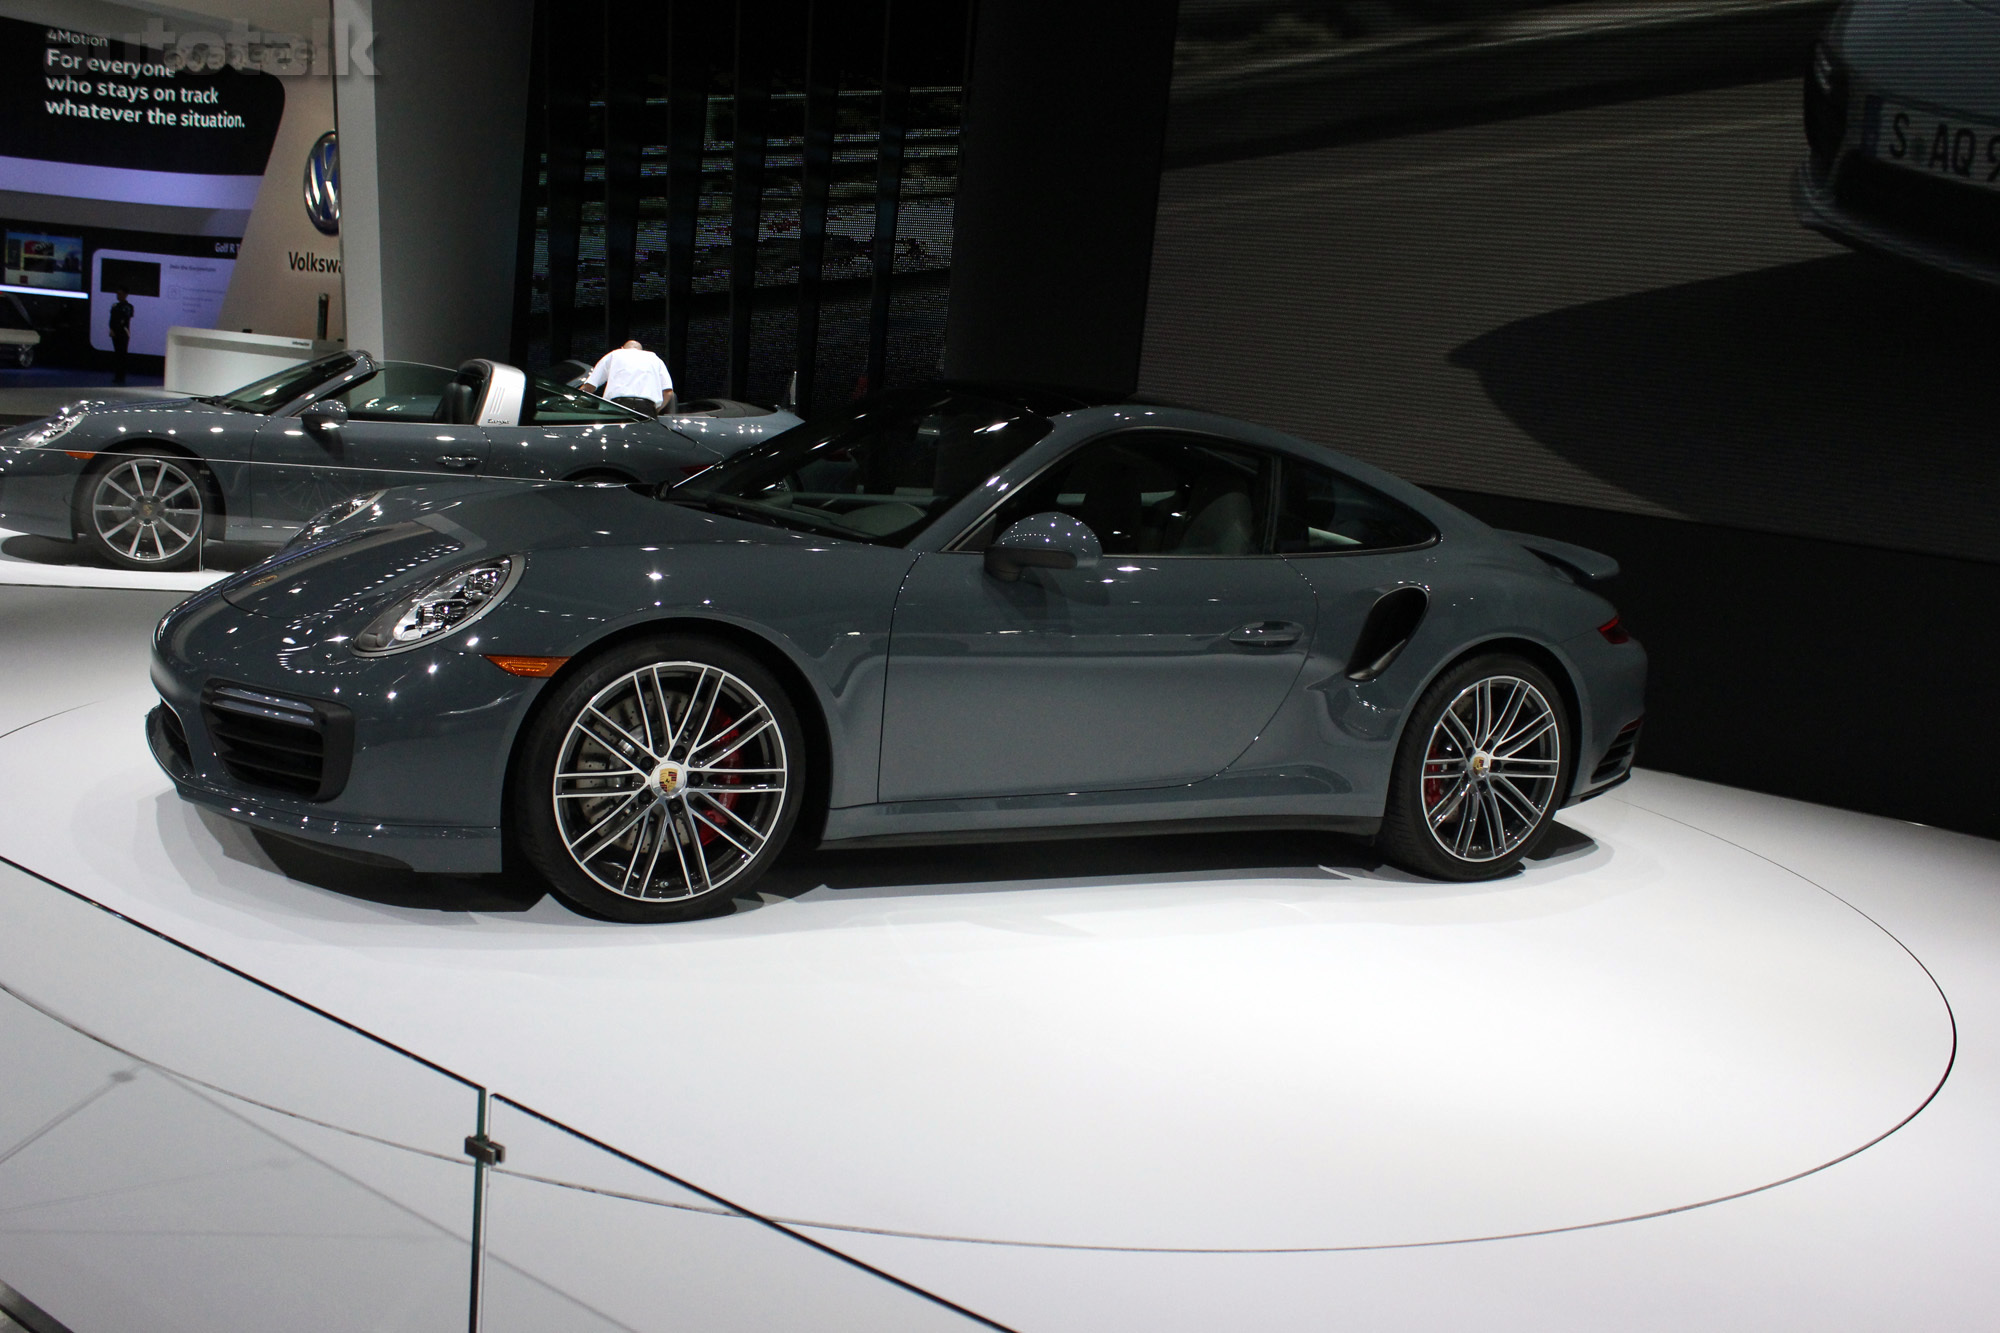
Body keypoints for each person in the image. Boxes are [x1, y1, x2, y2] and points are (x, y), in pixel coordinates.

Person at [583, 339, 674, 416]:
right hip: (647, 408)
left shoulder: (614, 354)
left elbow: (589, 386)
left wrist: (572, 401)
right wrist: (656, 411)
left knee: (617, 437)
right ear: (641, 350)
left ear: (622, 348)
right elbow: (668, 392)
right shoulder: (655, 358)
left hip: (618, 407)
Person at [108, 289, 134, 386]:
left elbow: (126, 318)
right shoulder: (115, 306)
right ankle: (117, 375)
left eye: (120, 294)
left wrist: (119, 327)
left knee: (122, 354)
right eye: (117, 293)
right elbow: (111, 319)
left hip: (123, 332)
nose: (118, 295)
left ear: (125, 295)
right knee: (117, 354)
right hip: (115, 332)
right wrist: (111, 329)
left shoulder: (128, 307)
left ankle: (121, 376)